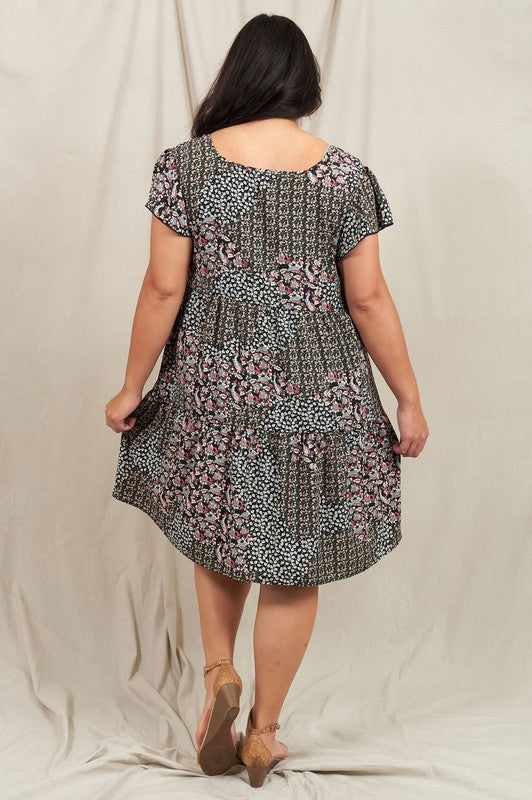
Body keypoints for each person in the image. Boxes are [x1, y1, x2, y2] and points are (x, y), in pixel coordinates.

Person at [105, 12, 429, 789]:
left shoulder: (184, 167)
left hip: (217, 383)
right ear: (303, 85)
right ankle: (264, 733)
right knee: (294, 556)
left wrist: (132, 385)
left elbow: (162, 286)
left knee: (218, 528)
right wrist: (408, 398)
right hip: (321, 390)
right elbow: (371, 299)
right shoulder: (345, 174)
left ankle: (219, 671)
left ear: (236, 77)